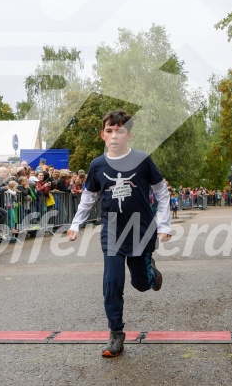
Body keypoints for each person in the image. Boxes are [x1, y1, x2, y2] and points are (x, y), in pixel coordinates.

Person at [67, 109, 171, 358]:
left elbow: (161, 191)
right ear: (103, 135)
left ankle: (150, 271)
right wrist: (75, 224)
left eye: (120, 130)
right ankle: (116, 333)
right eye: (110, 131)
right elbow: (89, 197)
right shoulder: (97, 165)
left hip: (141, 228)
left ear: (129, 135)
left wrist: (165, 225)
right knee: (112, 282)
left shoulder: (143, 160)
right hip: (112, 229)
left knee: (142, 284)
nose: (114, 135)